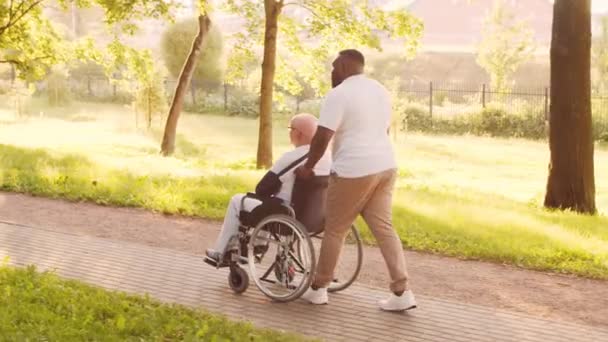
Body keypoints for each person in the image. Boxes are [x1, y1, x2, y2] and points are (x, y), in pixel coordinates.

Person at [296, 49, 416, 312]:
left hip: (353, 171)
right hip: (385, 166)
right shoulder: (380, 91)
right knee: (384, 229)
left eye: (333, 67)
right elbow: (382, 129)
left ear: (344, 65)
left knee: (335, 229)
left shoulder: (338, 94)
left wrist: (308, 167)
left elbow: (322, 136)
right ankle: (401, 291)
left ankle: (318, 289)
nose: (331, 72)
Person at [206, 113, 332, 261]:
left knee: (238, 200)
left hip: (287, 216)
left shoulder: (291, 158)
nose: (289, 132)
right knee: (271, 201)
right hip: (316, 218)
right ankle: (258, 245)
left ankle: (223, 251)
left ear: (298, 133)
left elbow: (262, 188)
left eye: (290, 129)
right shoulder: (328, 157)